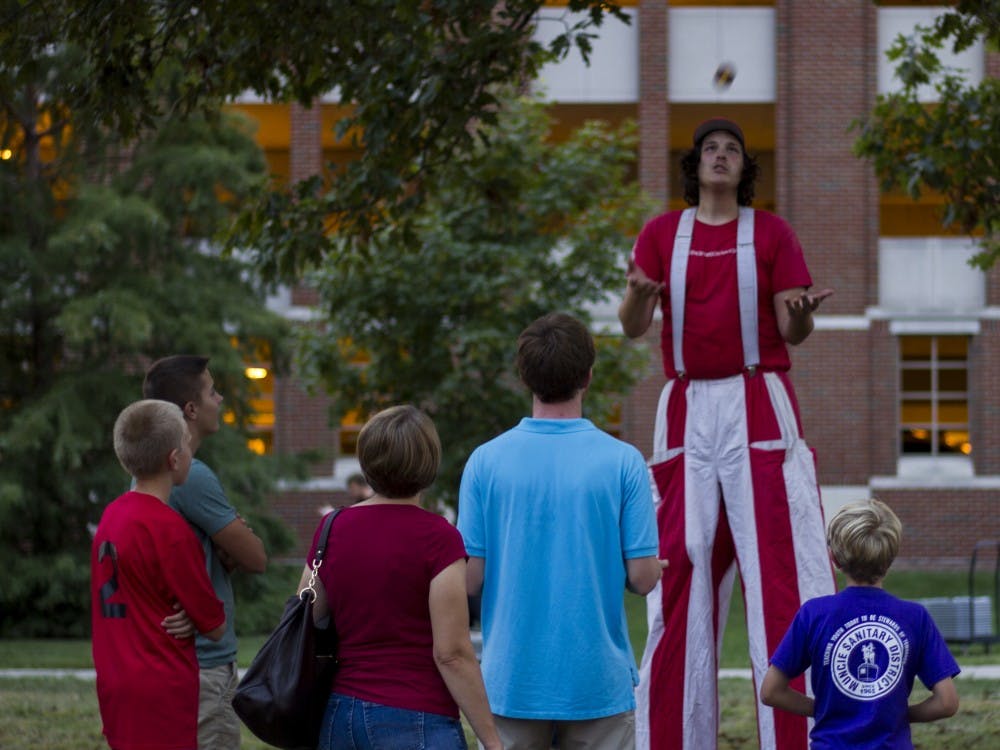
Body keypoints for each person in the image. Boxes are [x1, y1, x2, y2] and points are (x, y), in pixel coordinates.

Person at [619, 117, 837, 750]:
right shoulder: (662, 233)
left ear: (745, 169)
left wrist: (799, 318)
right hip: (687, 405)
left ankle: (799, 739)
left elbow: (792, 329)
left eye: (732, 150)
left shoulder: (771, 233)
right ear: (696, 165)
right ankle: (673, 739)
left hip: (758, 401)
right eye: (710, 149)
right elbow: (634, 323)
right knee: (681, 570)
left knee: (782, 574)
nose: (720, 156)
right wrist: (637, 294)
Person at [457, 312, 662, 749]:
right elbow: (644, 578)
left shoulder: (484, 462)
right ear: (588, 376)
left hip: (511, 680)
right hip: (597, 682)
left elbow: (470, 579)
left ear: (525, 378)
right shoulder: (624, 461)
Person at [298, 405, 502, 750]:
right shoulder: (438, 537)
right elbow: (451, 653)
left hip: (339, 714)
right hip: (415, 714)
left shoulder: (332, 528)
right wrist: (493, 741)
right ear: (428, 462)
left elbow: (307, 615)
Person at [761, 499, 960, 748]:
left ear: (834, 557)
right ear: (891, 556)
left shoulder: (814, 614)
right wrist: (899, 715)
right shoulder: (915, 617)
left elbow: (771, 691)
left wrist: (825, 710)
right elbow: (947, 702)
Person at [143, 355, 267, 749]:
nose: (221, 398)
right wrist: (230, 540)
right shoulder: (191, 475)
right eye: (213, 390)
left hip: (174, 666)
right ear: (191, 409)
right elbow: (255, 558)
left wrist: (223, 545)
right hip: (204, 668)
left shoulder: (149, 471)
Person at [92, 400, 226, 750]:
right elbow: (215, 626)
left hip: (116, 679)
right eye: (186, 443)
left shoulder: (111, 516)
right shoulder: (171, 530)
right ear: (174, 459)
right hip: (162, 685)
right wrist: (196, 619)